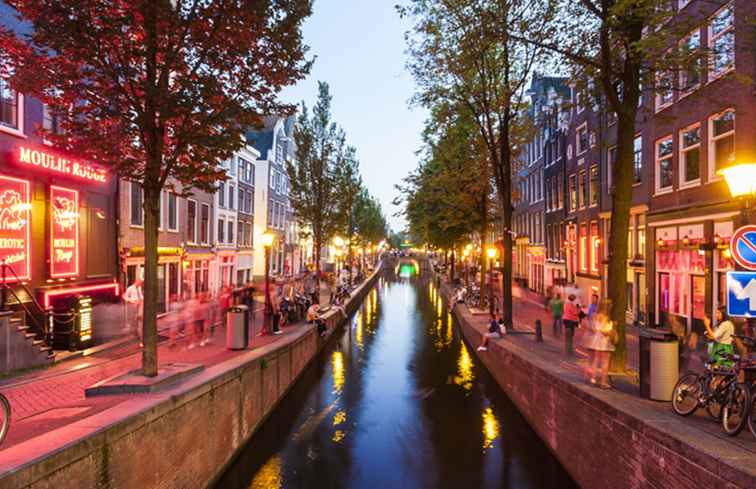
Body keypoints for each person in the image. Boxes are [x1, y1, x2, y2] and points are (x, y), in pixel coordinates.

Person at [589, 312, 616, 388]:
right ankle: (603, 382)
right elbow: (607, 333)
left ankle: (593, 378)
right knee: (605, 362)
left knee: (596, 360)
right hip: (605, 343)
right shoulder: (608, 320)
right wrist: (612, 330)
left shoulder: (596, 317)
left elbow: (593, 329)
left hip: (597, 342)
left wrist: (598, 330)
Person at [123, 278, 144, 347]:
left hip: (139, 306)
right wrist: (132, 301)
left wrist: (141, 299)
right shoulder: (130, 288)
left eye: (141, 283)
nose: (141, 284)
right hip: (133, 306)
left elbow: (140, 295)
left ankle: (140, 339)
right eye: (140, 283)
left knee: (139, 323)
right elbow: (125, 297)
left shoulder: (139, 288)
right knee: (133, 321)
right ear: (136, 282)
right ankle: (133, 333)